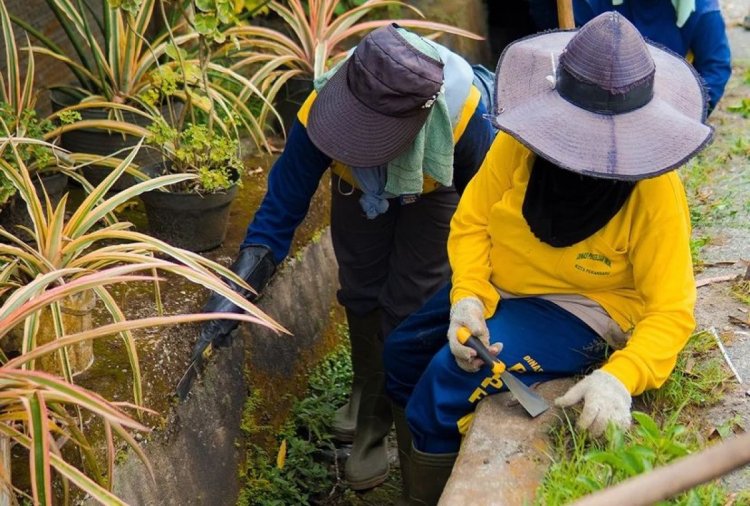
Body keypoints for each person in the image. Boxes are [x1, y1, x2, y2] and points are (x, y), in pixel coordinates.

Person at [383, 11, 713, 505]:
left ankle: (428, 490)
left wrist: (620, 378)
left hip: (586, 307)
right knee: (402, 351)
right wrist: (468, 297)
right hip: (505, 286)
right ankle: (412, 468)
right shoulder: (519, 146)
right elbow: (473, 222)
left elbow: (671, 310)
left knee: (448, 381)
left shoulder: (656, 194)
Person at [194, 23, 495, 493]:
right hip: (359, 187)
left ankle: (385, 430)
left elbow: (493, 206)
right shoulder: (321, 111)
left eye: (368, 136)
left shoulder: (467, 116)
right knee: (360, 286)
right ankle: (365, 394)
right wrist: (234, 295)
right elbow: (280, 210)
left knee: (409, 304)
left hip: (437, 185)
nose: (357, 138)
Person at [574, 0, 731, 113]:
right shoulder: (592, 3)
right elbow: (571, 54)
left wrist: (688, 115)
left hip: (668, 103)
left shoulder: (701, 8)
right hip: (603, 98)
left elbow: (715, 68)